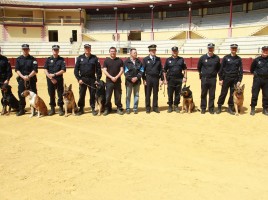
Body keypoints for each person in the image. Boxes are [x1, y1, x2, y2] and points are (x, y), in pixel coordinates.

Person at [74, 44, 102, 116]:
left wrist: (97, 79)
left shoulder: (94, 58)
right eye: (86, 48)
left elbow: (98, 69)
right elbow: (76, 70)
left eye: (88, 48)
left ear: (90, 49)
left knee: (92, 94)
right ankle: (81, 108)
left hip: (92, 79)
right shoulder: (80, 58)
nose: (87, 49)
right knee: (82, 94)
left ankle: (93, 108)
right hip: (83, 79)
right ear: (84, 49)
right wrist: (79, 79)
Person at [216, 44, 243, 115]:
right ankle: (219, 106)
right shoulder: (226, 58)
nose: (234, 49)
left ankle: (230, 108)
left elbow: (241, 70)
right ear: (230, 49)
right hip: (226, 78)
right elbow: (221, 69)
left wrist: (239, 80)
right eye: (232, 48)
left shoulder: (239, 59)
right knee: (223, 93)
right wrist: (220, 79)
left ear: (236, 49)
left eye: (235, 48)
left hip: (235, 79)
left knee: (232, 94)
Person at [197, 43, 221, 114]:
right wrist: (202, 74)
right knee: (203, 94)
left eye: (212, 48)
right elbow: (199, 67)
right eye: (209, 48)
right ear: (207, 48)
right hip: (204, 78)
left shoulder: (217, 58)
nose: (210, 49)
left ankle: (211, 108)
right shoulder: (202, 58)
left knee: (212, 94)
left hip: (213, 79)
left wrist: (219, 78)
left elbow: (219, 68)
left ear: (213, 49)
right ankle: (203, 108)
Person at [15, 44, 38, 116]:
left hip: (31, 80)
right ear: (22, 50)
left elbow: (35, 70)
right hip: (22, 80)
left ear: (29, 50)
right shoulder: (18, 59)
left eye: (26, 49)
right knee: (21, 94)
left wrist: (28, 76)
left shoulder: (33, 59)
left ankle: (34, 109)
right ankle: (22, 109)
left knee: (33, 94)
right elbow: (17, 70)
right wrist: (23, 77)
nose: (25, 50)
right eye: (24, 49)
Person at [163, 46, 187, 113]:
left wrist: (185, 77)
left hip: (179, 79)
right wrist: (165, 79)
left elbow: (185, 69)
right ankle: (170, 106)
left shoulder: (181, 59)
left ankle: (176, 105)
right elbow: (164, 70)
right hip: (170, 79)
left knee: (178, 93)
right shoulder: (168, 60)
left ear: (177, 52)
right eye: (173, 51)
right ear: (172, 51)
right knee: (170, 93)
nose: (175, 52)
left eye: (176, 51)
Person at [44, 45, 66, 116]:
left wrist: (54, 75)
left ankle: (60, 108)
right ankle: (52, 108)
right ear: (52, 50)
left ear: (58, 51)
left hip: (59, 79)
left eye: (57, 50)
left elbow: (63, 70)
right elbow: (45, 69)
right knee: (51, 94)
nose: (55, 51)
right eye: (54, 50)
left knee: (60, 94)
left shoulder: (61, 60)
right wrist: (50, 77)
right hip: (50, 80)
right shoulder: (48, 59)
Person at [102, 47, 124, 116]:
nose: (113, 52)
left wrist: (116, 77)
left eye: (114, 51)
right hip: (109, 81)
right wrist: (111, 77)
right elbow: (104, 70)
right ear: (109, 52)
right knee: (108, 96)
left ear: (116, 52)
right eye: (111, 51)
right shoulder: (106, 61)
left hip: (117, 81)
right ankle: (107, 108)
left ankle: (119, 108)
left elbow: (122, 70)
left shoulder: (119, 60)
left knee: (118, 96)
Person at [142, 44, 163, 114]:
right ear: (149, 51)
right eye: (152, 50)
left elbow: (161, 69)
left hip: (156, 78)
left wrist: (161, 79)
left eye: (154, 50)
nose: (154, 51)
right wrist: (144, 79)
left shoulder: (158, 59)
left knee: (155, 93)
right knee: (147, 94)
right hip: (148, 78)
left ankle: (155, 107)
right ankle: (148, 108)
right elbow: (143, 70)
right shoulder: (145, 59)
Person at [124, 48, 144, 114]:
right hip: (129, 82)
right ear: (131, 53)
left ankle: (135, 108)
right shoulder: (126, 62)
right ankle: (127, 108)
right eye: (134, 52)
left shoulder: (139, 62)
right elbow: (125, 72)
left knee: (136, 95)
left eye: (136, 52)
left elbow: (142, 70)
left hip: (137, 81)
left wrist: (137, 78)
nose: (136, 53)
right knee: (128, 96)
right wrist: (131, 79)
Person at [249, 46, 268, 116]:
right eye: (264, 51)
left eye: (267, 51)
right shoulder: (257, 60)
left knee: (266, 95)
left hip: (267, 80)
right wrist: (256, 75)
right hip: (258, 79)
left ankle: (265, 109)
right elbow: (251, 69)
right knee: (255, 94)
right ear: (262, 51)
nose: (266, 52)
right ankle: (253, 108)